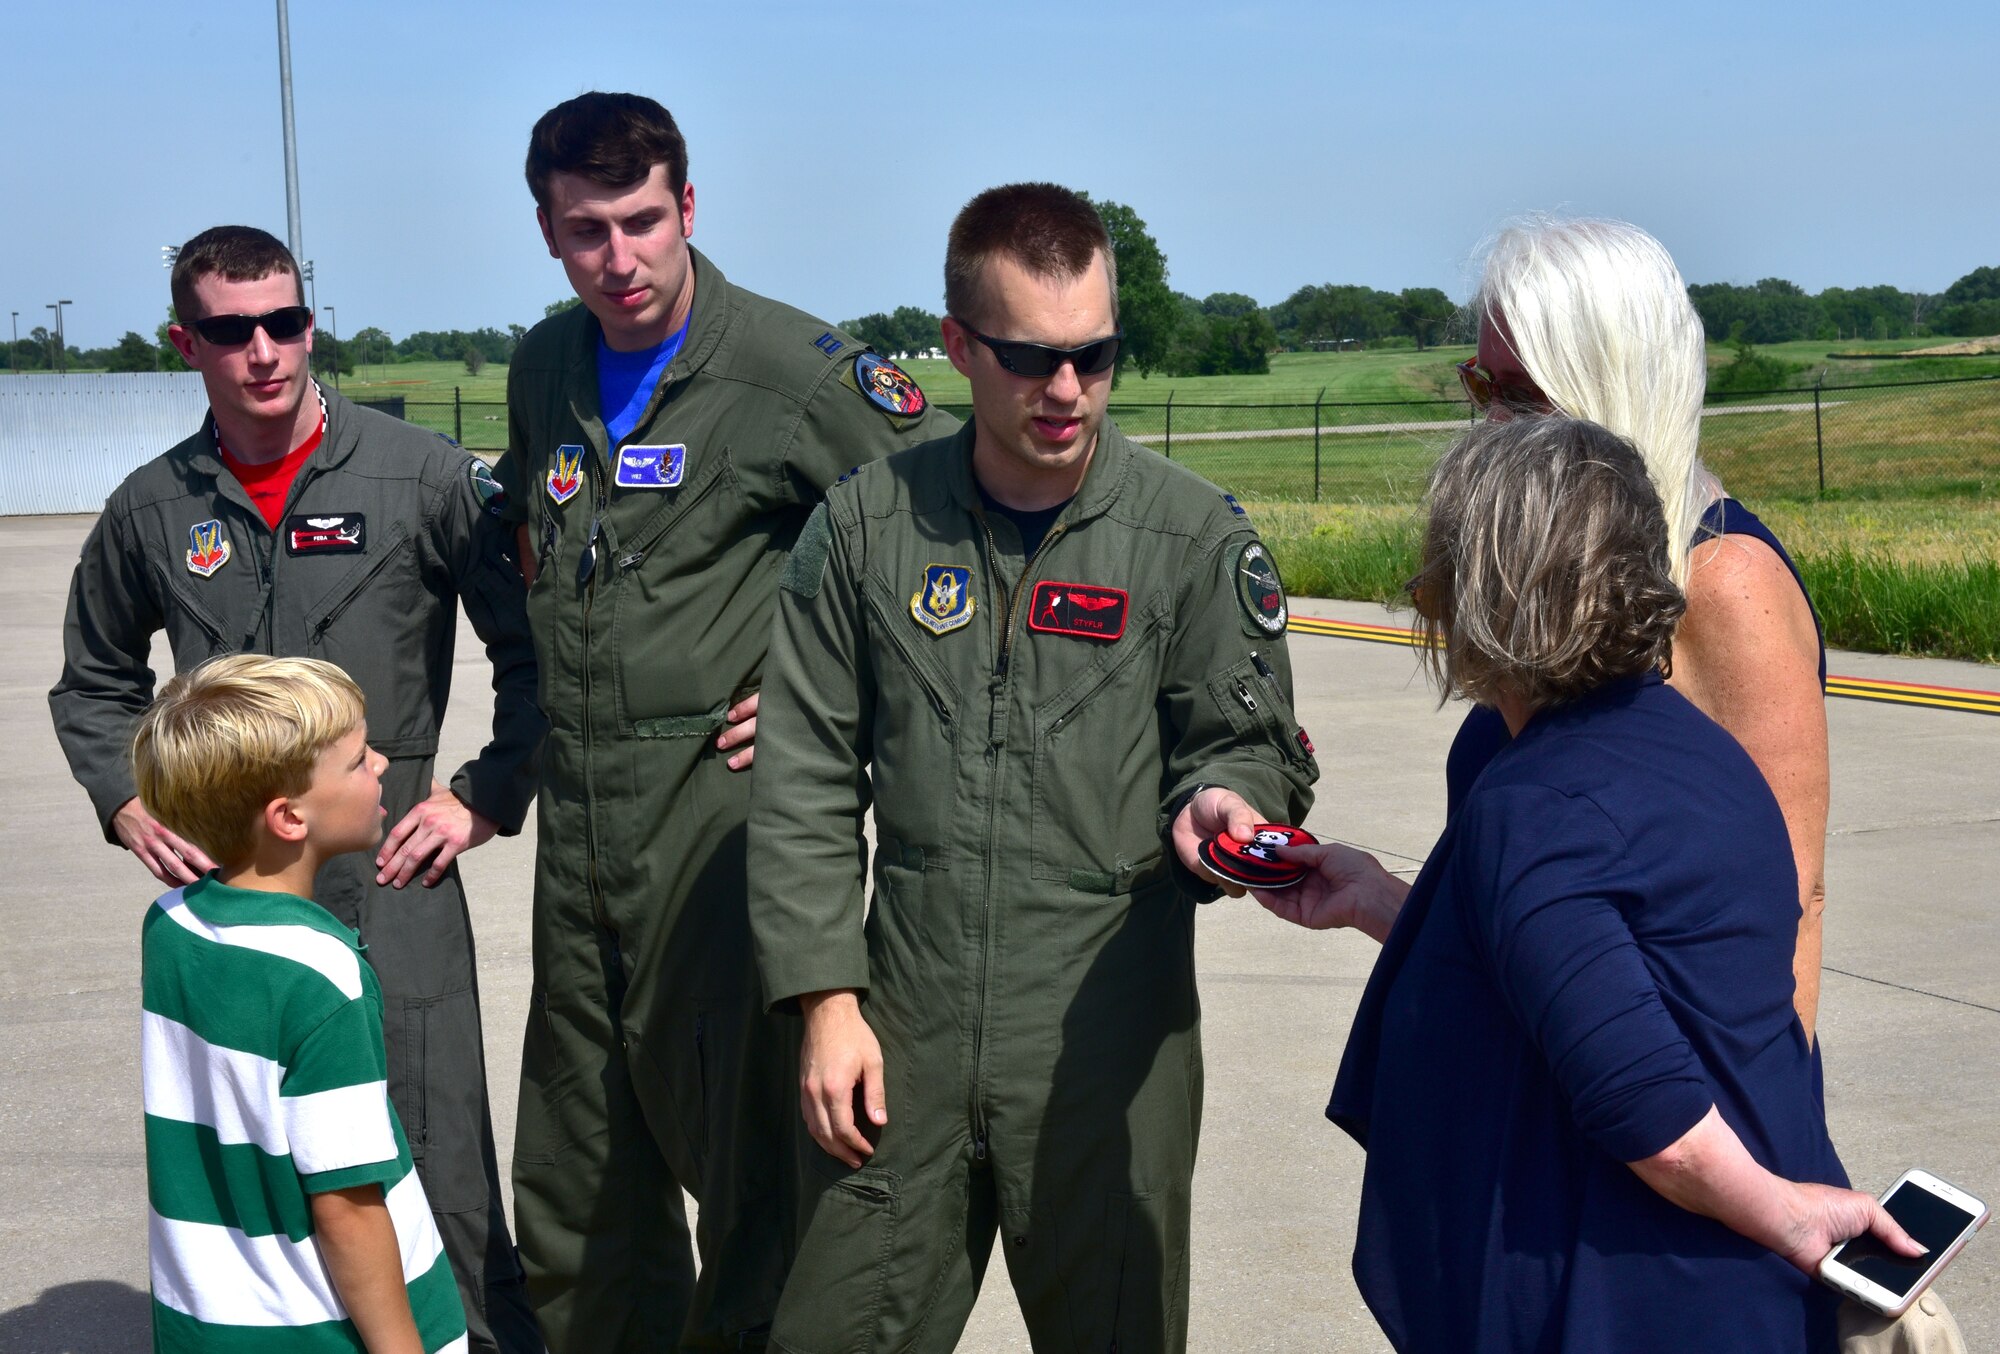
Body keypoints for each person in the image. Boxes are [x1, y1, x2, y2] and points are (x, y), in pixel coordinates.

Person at [746, 182, 1318, 1352]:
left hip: (1105, 1035)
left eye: (1093, 356)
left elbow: (1244, 740)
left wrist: (1227, 804)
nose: (1066, 391)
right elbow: (801, 773)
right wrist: (823, 999)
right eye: (1028, 358)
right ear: (957, 345)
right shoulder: (865, 529)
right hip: (895, 1026)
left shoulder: (1188, 540)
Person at [1277, 416, 1918, 1352]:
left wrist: (1786, 1216)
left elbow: (1648, 1108)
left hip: (1632, 1297)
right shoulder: (1692, 747)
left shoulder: (1534, 805)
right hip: (1732, 1283)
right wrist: (1376, 898)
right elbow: (1588, 974)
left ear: (1486, 593)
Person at [493, 92, 955, 1351]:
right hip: (580, 825)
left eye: (642, 221)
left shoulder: (795, 372)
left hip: (719, 826)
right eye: (587, 230)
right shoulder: (543, 365)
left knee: (751, 1170)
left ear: (687, 208)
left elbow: (949, 523)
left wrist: (833, 701)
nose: (620, 257)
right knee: (580, 1165)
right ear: (547, 231)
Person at [48, 226, 543, 1354]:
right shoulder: (151, 510)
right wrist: (127, 802)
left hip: (396, 867)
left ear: (309, 324)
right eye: (230, 329)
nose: (264, 350)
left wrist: (482, 794)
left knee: (435, 1165)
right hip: (237, 896)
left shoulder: (422, 478)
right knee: (248, 1167)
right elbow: (93, 682)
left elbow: (538, 650)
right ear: (188, 342)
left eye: (285, 321)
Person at [1446, 217, 1831, 1045]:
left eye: (1522, 393)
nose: (1492, 426)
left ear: (1610, 385)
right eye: (1483, 388)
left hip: (1659, 1127)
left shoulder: (1724, 583)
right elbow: (1552, 935)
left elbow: (1787, 906)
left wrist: (1761, 1149)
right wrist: (1377, 900)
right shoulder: (1560, 576)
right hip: (1531, 1094)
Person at [132, 654, 467, 1353]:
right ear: (288, 817)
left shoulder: (170, 926)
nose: (380, 764)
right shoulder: (321, 973)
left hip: (207, 1324)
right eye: (355, 760)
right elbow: (345, 1202)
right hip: (321, 1330)